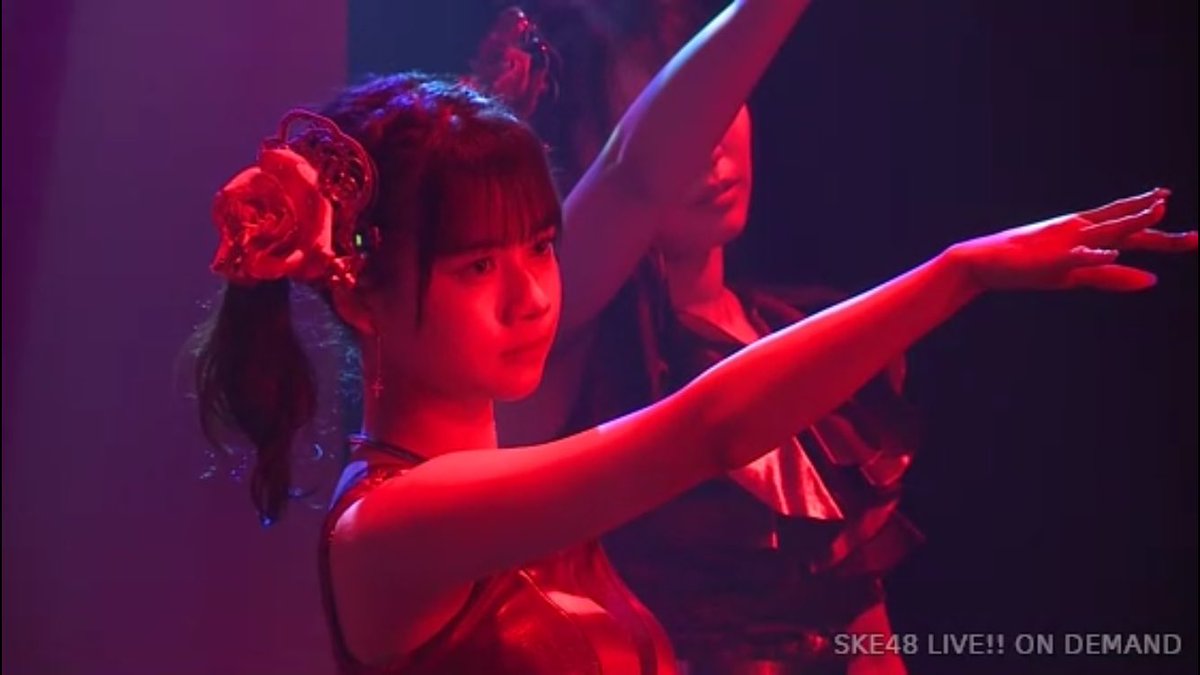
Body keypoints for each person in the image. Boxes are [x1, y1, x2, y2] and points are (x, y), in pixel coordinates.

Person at [191, 67, 1192, 675]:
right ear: (362, 298)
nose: (533, 295)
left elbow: (637, 172)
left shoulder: (517, 479)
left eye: (540, 247)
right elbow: (707, 429)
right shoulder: (392, 526)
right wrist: (956, 274)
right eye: (477, 267)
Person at [484, 2, 921, 671]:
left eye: (725, 108)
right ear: (583, 152)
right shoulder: (564, 344)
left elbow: (865, 626)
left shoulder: (801, 329)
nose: (709, 149)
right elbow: (634, 177)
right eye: (683, 127)